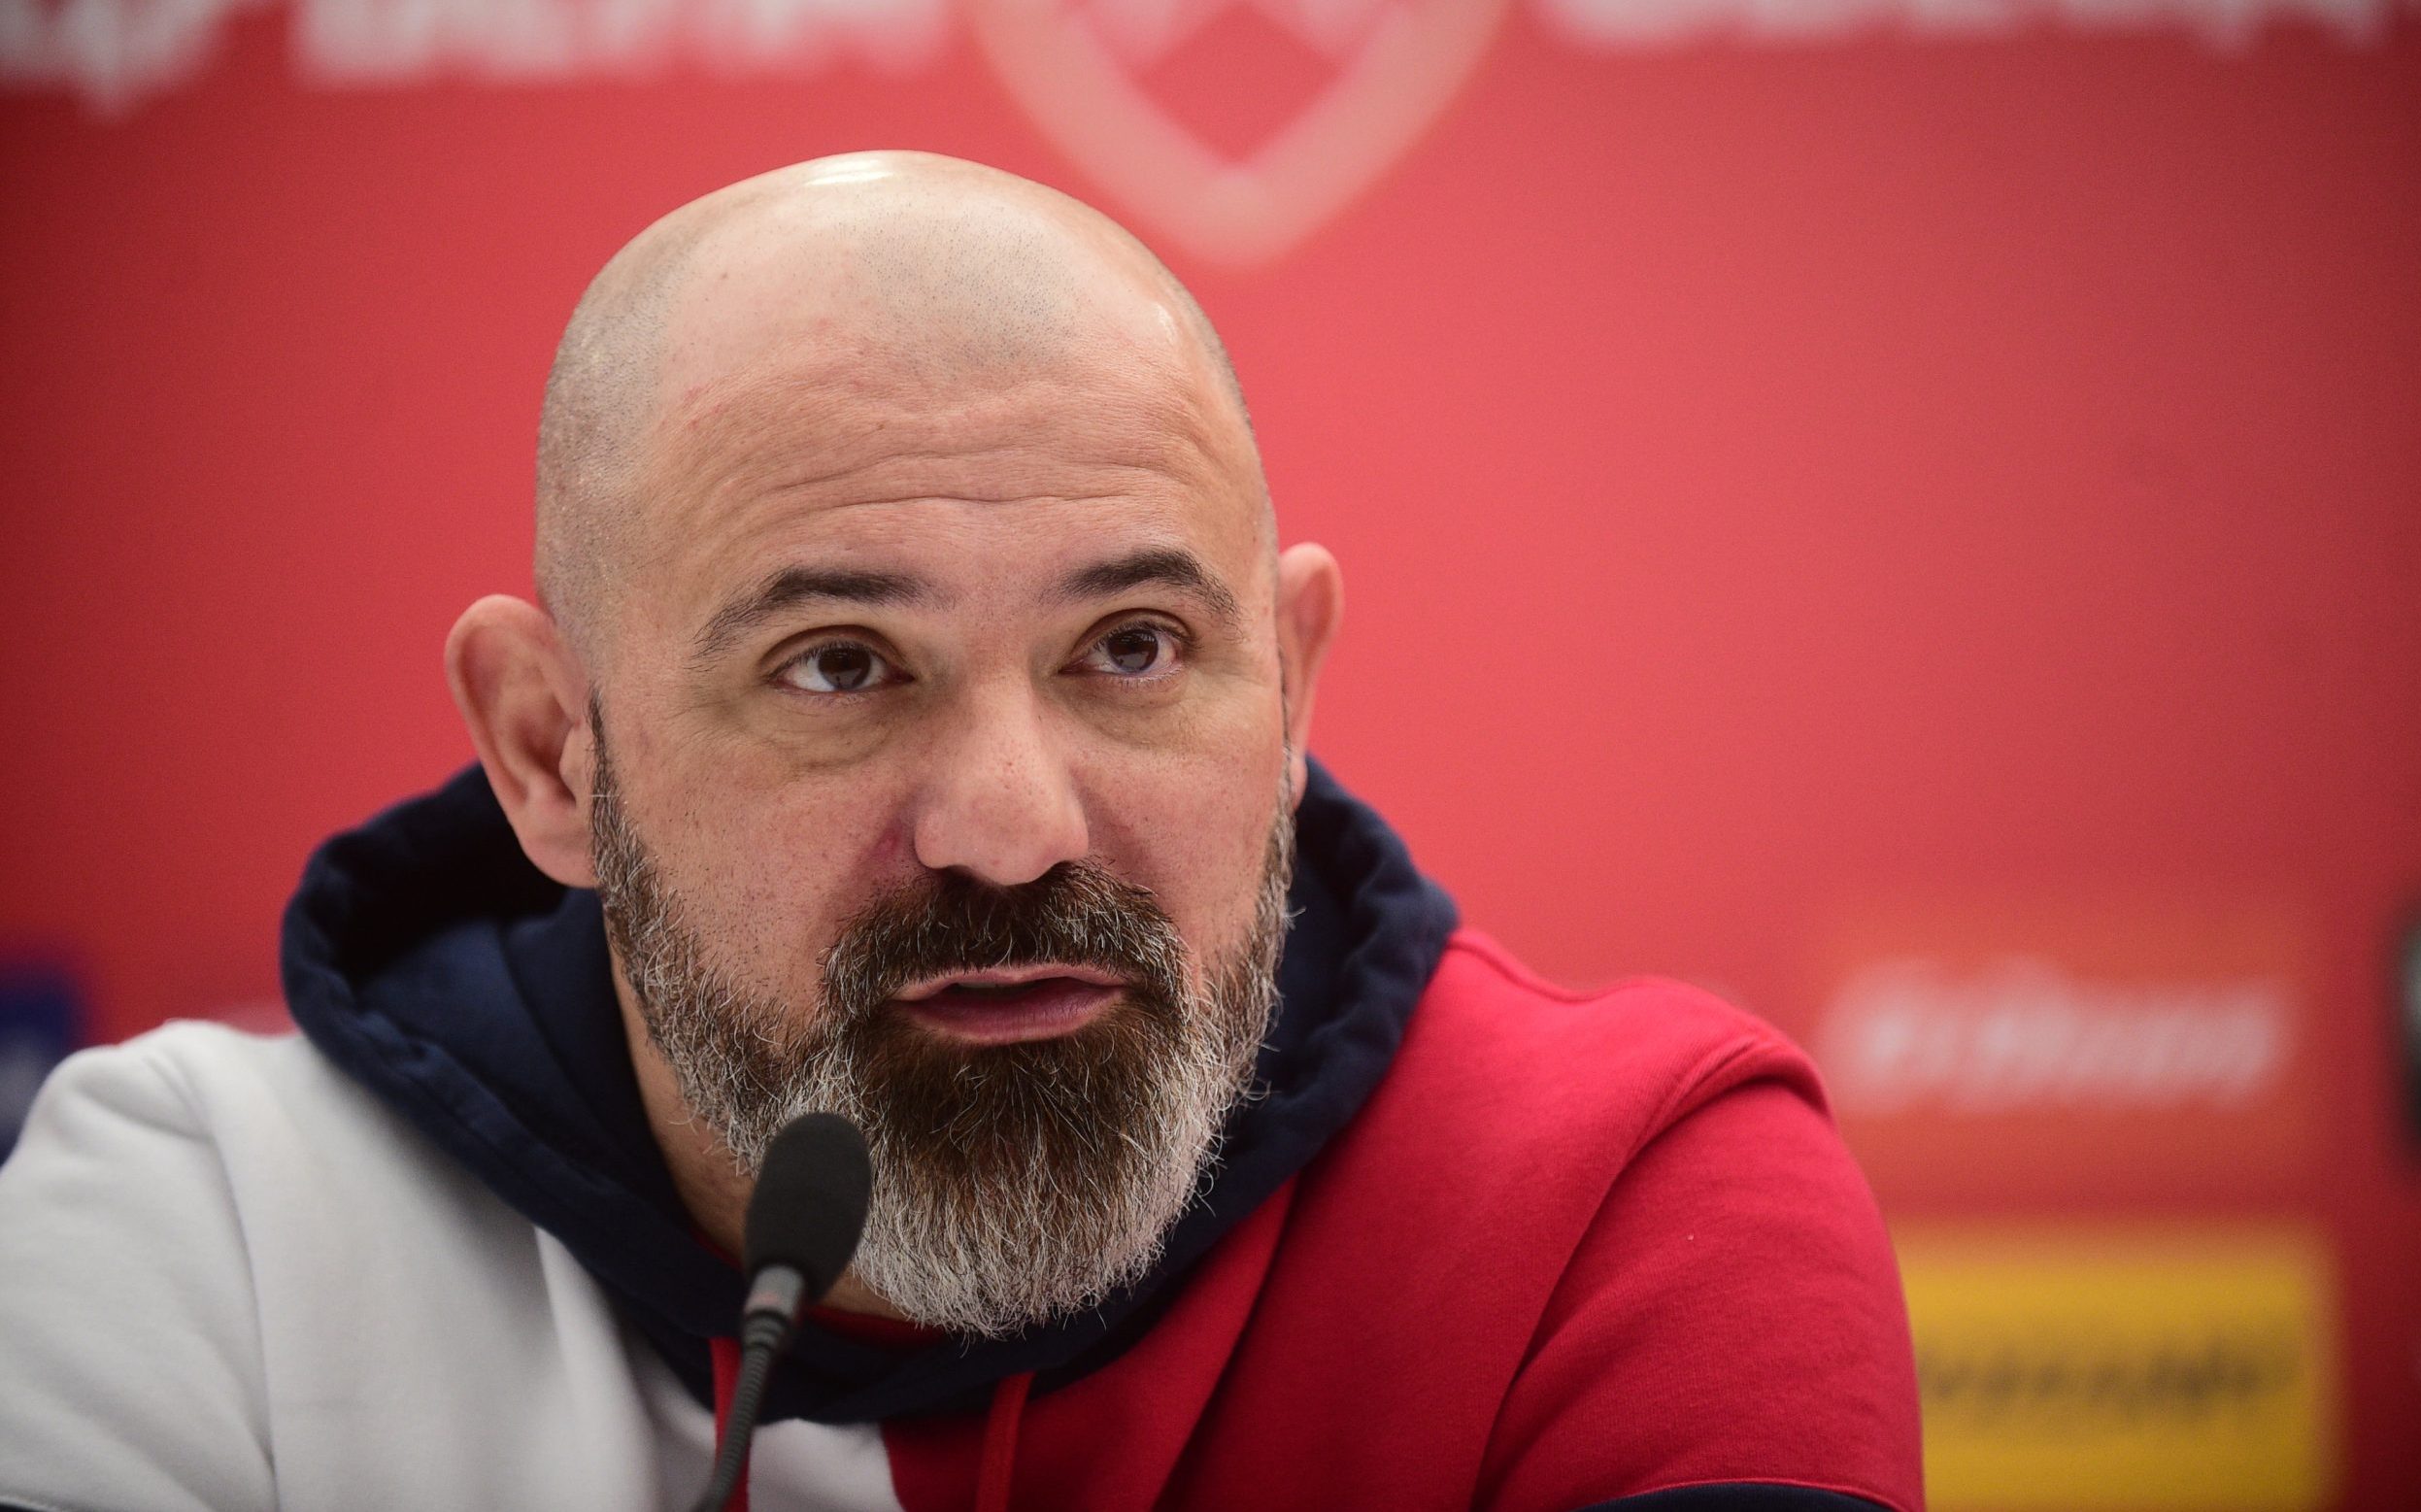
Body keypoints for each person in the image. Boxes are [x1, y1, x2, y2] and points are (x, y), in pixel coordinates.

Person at [0, 153, 1921, 1512]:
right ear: (550, 754)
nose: (1010, 830)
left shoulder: (1620, 1201)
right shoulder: (208, 1234)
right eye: (840, 664)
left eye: (1132, 646)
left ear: (1287, 692)